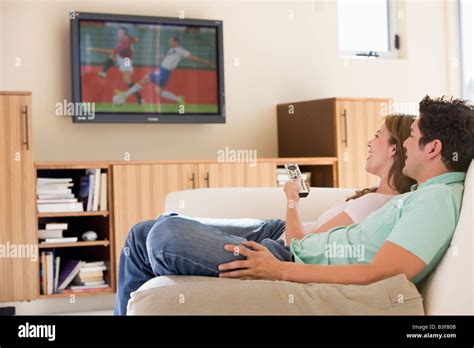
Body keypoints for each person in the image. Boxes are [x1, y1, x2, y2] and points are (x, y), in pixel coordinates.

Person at [114, 113, 417, 315]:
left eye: (378, 136)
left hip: (281, 251)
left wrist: (291, 200)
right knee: (141, 233)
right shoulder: (370, 197)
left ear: (393, 150)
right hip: (273, 232)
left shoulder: (376, 206)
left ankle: (176, 236)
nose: (369, 142)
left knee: (164, 235)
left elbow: (299, 244)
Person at [113, 36, 215, 106]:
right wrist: (161, 57)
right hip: (163, 71)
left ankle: (124, 95)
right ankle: (178, 99)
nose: (169, 42)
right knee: (158, 92)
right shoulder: (171, 50)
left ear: (175, 42)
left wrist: (206, 62)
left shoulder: (180, 50)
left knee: (144, 80)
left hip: (164, 72)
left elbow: (192, 57)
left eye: (171, 41)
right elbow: (168, 59)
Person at [88, 26, 143, 104]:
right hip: (121, 57)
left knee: (127, 80)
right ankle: (103, 73)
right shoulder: (125, 41)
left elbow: (112, 51)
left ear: (125, 34)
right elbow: (134, 40)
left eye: (120, 33)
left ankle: (140, 99)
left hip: (126, 60)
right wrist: (134, 40)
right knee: (111, 59)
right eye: (118, 32)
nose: (118, 34)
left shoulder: (125, 43)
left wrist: (95, 50)